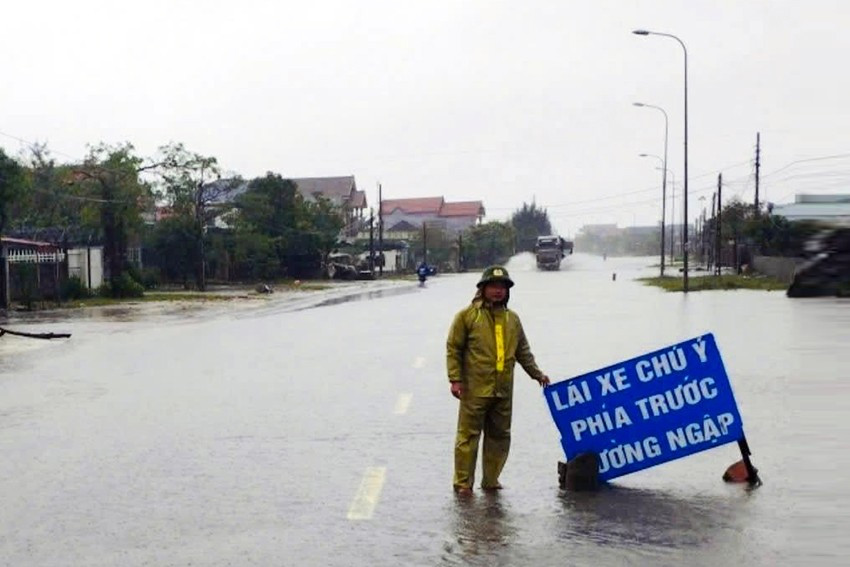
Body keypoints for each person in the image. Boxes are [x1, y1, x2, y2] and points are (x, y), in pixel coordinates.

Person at [446, 265, 550, 496]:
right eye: (493, 286)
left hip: (503, 390)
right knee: (468, 436)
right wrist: (455, 379)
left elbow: (523, 351)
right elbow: (454, 348)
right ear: (482, 289)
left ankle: (491, 480)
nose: (498, 291)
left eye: (502, 287)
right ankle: (463, 483)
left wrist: (537, 374)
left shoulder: (513, 319)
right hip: (475, 389)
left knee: (500, 436)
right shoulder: (466, 316)